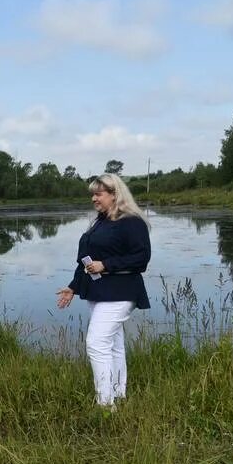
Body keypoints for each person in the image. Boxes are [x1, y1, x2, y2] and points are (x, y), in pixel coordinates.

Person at [56, 173, 151, 408]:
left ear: (114, 194)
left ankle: (105, 404)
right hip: (100, 292)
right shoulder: (101, 221)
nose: (94, 199)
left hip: (121, 291)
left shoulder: (131, 222)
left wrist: (106, 265)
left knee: (96, 343)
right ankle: (118, 395)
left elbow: (141, 259)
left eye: (98, 194)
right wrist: (73, 287)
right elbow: (86, 262)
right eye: (93, 195)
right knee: (113, 345)